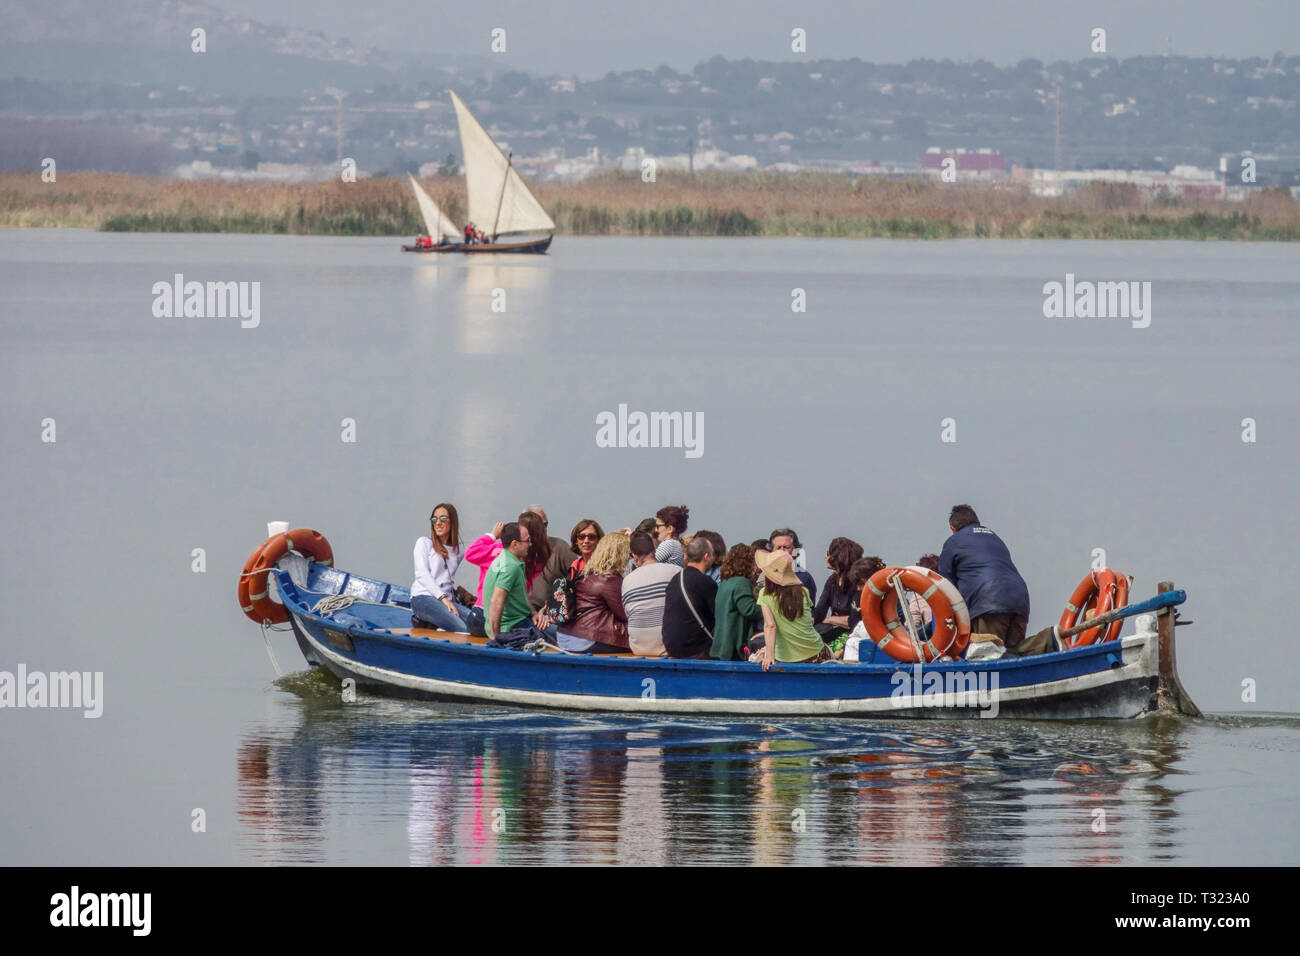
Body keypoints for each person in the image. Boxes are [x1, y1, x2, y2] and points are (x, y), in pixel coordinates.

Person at [938, 504, 1042, 655]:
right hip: (1019, 599)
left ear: (953, 528)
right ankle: (1049, 640)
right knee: (1015, 654)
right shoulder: (994, 537)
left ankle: (1047, 641)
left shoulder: (953, 542)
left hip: (988, 604)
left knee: (987, 654)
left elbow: (945, 584)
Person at [754, 549, 834, 669]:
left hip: (785, 657)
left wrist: (769, 656)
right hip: (815, 653)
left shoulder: (765, 595)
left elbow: (770, 625)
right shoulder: (803, 592)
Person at [555, 533, 630, 653]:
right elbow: (625, 614)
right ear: (620, 554)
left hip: (565, 636)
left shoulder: (585, 573)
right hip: (586, 639)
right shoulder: (609, 578)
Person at [484, 522, 550, 647]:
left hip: (517, 620)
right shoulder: (511, 567)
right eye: (527, 540)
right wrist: (497, 639)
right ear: (515, 544)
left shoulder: (503, 558)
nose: (530, 544)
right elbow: (496, 601)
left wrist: (534, 613)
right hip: (512, 626)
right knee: (558, 636)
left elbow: (520, 595)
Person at [410, 502, 472, 632]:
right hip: (423, 598)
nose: (438, 522)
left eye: (443, 518)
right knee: (462, 629)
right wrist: (443, 598)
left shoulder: (458, 550)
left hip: (447, 601)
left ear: (452, 522)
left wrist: (496, 537)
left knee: (478, 625)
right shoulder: (424, 543)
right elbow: (422, 574)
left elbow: (481, 551)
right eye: (434, 519)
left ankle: (433, 623)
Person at [622, 531, 679, 657]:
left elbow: (629, 614)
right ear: (654, 549)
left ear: (634, 556)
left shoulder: (627, 581)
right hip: (670, 648)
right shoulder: (676, 572)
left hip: (639, 648)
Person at [661, 536, 717, 658]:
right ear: (706, 557)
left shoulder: (674, 580)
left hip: (672, 647)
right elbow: (716, 616)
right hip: (696, 648)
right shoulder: (706, 583)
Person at [712, 543, 760, 661]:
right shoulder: (741, 583)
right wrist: (769, 606)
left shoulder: (725, 583)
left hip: (720, 645)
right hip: (733, 647)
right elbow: (749, 610)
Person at [524, 505, 578, 612]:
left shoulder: (560, 547)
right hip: (522, 613)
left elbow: (579, 578)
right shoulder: (517, 551)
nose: (541, 529)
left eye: (544, 524)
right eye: (536, 525)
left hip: (551, 613)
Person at [813, 536, 864, 642]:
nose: (825, 556)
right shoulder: (832, 581)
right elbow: (819, 611)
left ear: (838, 558)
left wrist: (830, 619)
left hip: (852, 634)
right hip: (834, 630)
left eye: (828, 553)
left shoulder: (858, 585)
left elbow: (854, 620)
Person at [769, 528, 818, 605]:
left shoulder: (805, 578)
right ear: (771, 551)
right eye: (778, 547)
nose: (782, 551)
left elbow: (810, 610)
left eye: (786, 547)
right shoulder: (766, 574)